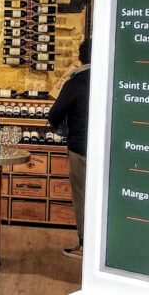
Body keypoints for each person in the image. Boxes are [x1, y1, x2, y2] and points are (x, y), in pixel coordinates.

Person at [48, 39, 91, 259]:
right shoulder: (111, 78)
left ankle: (85, 245)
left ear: (81, 56)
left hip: (80, 147)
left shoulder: (76, 81)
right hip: (106, 151)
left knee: (82, 195)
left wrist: (63, 129)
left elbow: (54, 113)